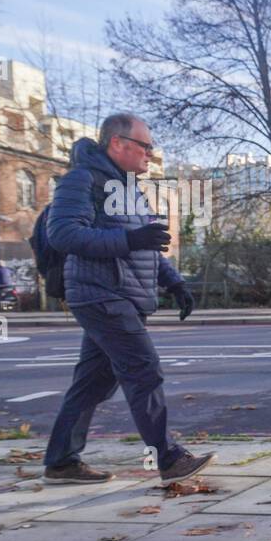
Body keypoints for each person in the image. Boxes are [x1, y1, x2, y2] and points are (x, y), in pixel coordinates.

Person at [42, 113, 212, 485]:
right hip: (99, 293)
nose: (150, 154)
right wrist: (129, 241)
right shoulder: (82, 179)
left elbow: (147, 246)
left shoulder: (128, 188)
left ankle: (60, 462)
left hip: (121, 295)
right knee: (143, 367)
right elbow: (63, 234)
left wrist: (174, 282)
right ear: (118, 143)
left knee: (92, 383)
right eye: (145, 146)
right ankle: (167, 458)